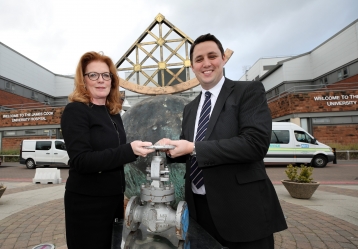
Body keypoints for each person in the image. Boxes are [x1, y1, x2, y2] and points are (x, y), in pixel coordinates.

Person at [158, 34, 287, 248]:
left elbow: (255, 144)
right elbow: (191, 149)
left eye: (212, 56)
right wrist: (169, 148)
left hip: (243, 212)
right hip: (199, 212)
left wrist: (193, 147)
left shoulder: (248, 92)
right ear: (192, 65)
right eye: (199, 59)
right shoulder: (190, 108)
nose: (206, 63)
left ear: (223, 59)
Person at [61, 51, 154, 249]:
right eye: (93, 75)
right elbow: (82, 161)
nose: (101, 80)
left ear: (112, 79)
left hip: (113, 201)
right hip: (87, 204)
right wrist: (129, 151)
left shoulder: (113, 113)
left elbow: (113, 154)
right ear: (83, 80)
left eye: (106, 75)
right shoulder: (76, 111)